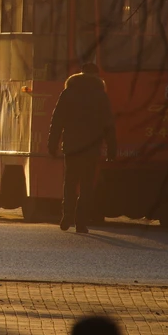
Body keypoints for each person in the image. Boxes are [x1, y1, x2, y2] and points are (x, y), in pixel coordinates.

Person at [48, 62, 117, 233]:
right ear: (96, 76)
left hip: (71, 146)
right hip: (91, 148)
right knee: (86, 185)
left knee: (70, 182)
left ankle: (67, 214)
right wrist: (111, 148)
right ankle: (81, 221)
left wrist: (52, 143)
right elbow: (109, 124)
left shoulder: (68, 92)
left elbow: (57, 120)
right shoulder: (101, 95)